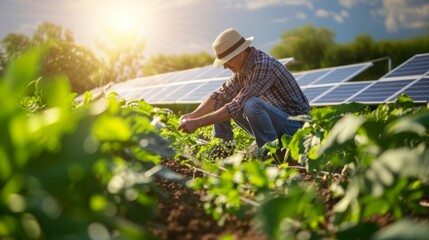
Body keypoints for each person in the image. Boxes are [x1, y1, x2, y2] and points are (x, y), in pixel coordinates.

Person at [178, 28, 310, 158]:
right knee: (224, 99)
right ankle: (224, 148)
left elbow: (237, 104)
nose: (225, 66)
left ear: (239, 53)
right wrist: (192, 115)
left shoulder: (264, 65)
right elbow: (220, 95)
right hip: (277, 126)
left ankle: (272, 154)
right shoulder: (241, 69)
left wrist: (198, 123)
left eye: (227, 61)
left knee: (251, 104)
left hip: (296, 128)